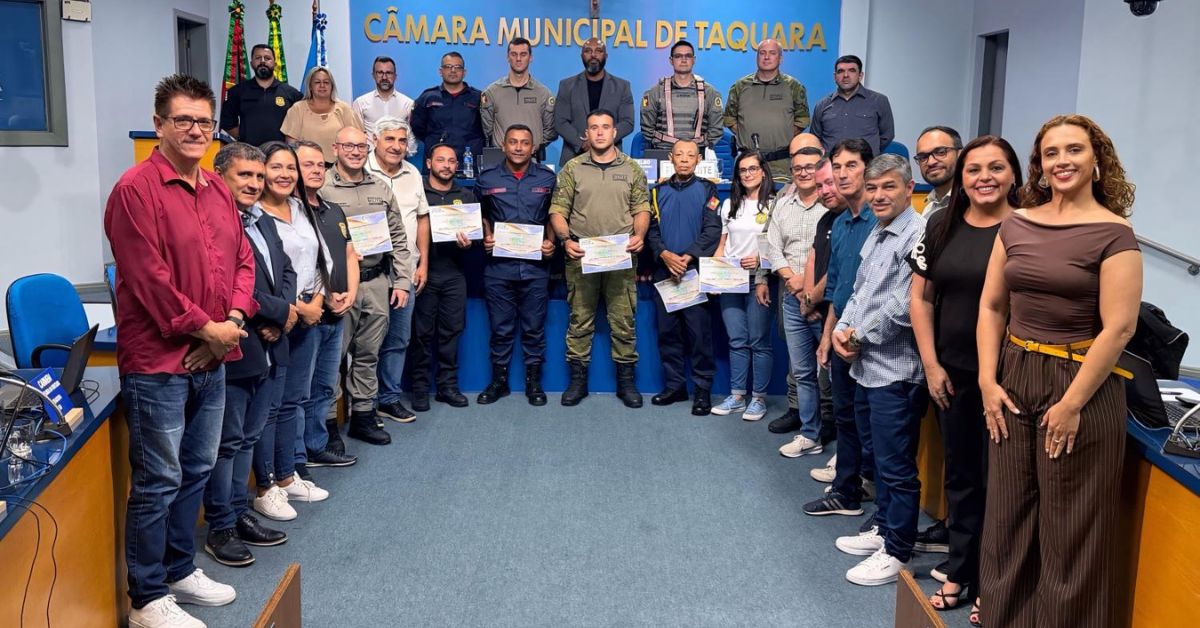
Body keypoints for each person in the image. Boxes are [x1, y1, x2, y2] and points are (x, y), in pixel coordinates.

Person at [977, 115, 1141, 628]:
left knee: (1069, 533)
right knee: (1005, 522)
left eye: (1074, 150)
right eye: (1051, 153)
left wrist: (1071, 404)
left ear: (1096, 160)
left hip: (1080, 386)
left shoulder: (1115, 234)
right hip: (1013, 375)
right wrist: (987, 379)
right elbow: (991, 307)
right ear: (1040, 166)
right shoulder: (1017, 223)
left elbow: (1118, 329)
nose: (1062, 161)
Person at [105, 74, 252, 628]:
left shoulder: (217, 189)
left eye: (204, 121)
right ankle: (145, 597)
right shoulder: (134, 190)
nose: (195, 130)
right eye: (183, 120)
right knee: (157, 481)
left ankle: (179, 568)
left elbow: (241, 262)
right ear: (160, 124)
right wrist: (203, 331)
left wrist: (232, 321)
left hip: (213, 354)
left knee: (196, 468)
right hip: (158, 363)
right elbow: (148, 280)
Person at [908, 135, 1021, 624]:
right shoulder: (941, 223)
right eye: (976, 169)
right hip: (952, 373)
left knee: (1004, 481)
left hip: (1011, 379)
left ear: (1014, 174)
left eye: (997, 167)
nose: (985, 178)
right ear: (962, 175)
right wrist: (931, 365)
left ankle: (994, 581)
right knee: (961, 476)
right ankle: (961, 568)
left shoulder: (1029, 228)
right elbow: (921, 299)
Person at [828, 154, 927, 587]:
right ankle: (884, 527)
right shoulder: (878, 231)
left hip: (897, 370)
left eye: (889, 186)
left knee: (897, 465)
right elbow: (860, 290)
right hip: (866, 367)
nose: (879, 195)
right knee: (880, 460)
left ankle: (898, 549)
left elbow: (905, 305)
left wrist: (856, 337)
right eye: (873, 188)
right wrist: (843, 328)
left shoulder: (919, 234)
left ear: (909, 189)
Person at [204, 143, 294, 569]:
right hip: (238, 343)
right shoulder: (216, 222)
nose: (255, 184)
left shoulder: (263, 220)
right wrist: (276, 313)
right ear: (221, 174)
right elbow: (234, 284)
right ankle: (220, 526)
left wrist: (287, 312)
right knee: (228, 442)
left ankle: (239, 512)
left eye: (259, 177)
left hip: (271, 344)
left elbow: (286, 271)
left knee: (248, 437)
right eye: (245, 176)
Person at [248, 142, 334, 523]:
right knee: (269, 407)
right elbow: (260, 274)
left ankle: (286, 475)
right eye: (277, 167)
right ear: (262, 171)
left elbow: (319, 260)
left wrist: (315, 301)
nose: (285, 175)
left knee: (295, 400)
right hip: (274, 320)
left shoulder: (300, 209)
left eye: (291, 169)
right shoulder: (254, 216)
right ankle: (265, 485)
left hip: (308, 315)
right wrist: (291, 309)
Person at [549, 109, 651, 408]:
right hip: (582, 255)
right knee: (580, 320)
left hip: (621, 256)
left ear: (614, 132)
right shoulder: (572, 168)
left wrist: (640, 235)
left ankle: (626, 383)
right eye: (594, 127)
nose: (600, 132)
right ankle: (577, 382)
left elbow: (642, 208)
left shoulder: (632, 168)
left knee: (623, 321)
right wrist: (565, 240)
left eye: (606, 127)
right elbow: (557, 210)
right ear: (586, 134)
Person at [320, 126, 412, 445]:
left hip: (376, 281)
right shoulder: (323, 186)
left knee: (368, 355)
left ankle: (362, 415)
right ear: (336, 149)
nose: (356, 152)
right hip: (339, 285)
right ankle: (328, 426)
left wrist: (401, 281)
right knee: (333, 357)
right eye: (349, 146)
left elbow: (399, 237)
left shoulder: (381, 186)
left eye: (361, 146)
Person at [802, 138, 877, 517]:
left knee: (869, 422)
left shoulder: (880, 221)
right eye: (838, 166)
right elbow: (838, 287)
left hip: (872, 341)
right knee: (846, 416)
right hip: (842, 332)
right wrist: (829, 335)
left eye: (852, 165)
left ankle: (865, 486)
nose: (844, 174)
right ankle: (846, 490)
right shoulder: (843, 223)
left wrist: (852, 334)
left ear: (869, 168)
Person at [476, 124, 558, 406]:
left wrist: (551, 244)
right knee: (500, 328)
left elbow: (553, 216)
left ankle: (534, 384)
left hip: (536, 268)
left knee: (534, 328)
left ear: (533, 147)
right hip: (498, 268)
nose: (519, 147)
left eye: (525, 142)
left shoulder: (547, 179)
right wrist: (485, 236)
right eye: (513, 142)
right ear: (504, 145)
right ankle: (499, 383)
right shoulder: (487, 179)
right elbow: (480, 215)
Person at [293, 140, 359, 467]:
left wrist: (351, 293)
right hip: (307, 316)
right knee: (299, 391)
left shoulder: (333, 210)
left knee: (324, 386)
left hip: (337, 314)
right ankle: (295, 458)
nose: (317, 170)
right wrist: (322, 298)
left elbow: (350, 253)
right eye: (309, 164)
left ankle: (316, 445)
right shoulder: (291, 212)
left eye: (321, 165)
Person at [645, 140, 722, 415]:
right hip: (664, 272)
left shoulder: (708, 189)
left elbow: (712, 229)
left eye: (691, 155)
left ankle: (702, 391)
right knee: (668, 334)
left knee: (699, 335)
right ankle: (675, 386)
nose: (685, 159)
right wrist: (664, 255)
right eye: (680, 155)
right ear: (671, 158)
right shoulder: (657, 191)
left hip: (693, 272)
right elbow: (650, 231)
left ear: (698, 159)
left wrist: (688, 257)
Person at [768, 147, 829, 456]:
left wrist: (812, 292)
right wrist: (793, 282)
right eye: (797, 168)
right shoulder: (783, 205)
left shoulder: (831, 203)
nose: (803, 173)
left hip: (825, 300)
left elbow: (835, 256)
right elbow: (773, 247)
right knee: (803, 371)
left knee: (834, 374)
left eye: (810, 167)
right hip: (792, 298)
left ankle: (843, 443)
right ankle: (810, 434)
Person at [365, 116, 427, 421]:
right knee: (365, 341)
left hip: (405, 271)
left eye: (402, 141)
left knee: (399, 338)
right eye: (389, 139)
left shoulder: (413, 174)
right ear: (375, 140)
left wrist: (423, 262)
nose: (396, 146)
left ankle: (388, 398)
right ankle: (363, 403)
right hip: (367, 273)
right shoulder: (360, 171)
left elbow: (422, 218)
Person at [408, 143, 476, 409]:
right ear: (428, 164)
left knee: (452, 332)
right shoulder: (417, 193)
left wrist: (470, 243)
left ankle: (448, 386)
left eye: (451, 161)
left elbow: (477, 239)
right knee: (421, 334)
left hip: (454, 274)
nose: (446, 165)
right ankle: (420, 389)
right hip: (423, 273)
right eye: (440, 160)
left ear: (457, 166)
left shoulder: (467, 195)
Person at [710, 151, 776, 421]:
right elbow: (722, 245)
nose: (748, 174)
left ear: (763, 171)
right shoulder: (729, 205)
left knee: (758, 341)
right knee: (737, 339)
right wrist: (713, 274)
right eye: (743, 170)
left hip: (761, 279)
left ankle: (758, 398)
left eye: (753, 169)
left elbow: (780, 246)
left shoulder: (775, 204)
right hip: (731, 279)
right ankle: (737, 396)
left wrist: (761, 259)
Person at [723, 39, 810, 180]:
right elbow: (729, 118)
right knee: (745, 201)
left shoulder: (793, 86)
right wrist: (745, 133)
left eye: (772, 53)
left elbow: (803, 119)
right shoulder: (740, 86)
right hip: (747, 162)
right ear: (757, 57)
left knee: (780, 200)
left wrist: (784, 135)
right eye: (762, 53)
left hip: (781, 163)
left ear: (780, 59)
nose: (767, 57)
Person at [554, 37, 635, 166]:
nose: (593, 55)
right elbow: (560, 122)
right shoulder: (566, 86)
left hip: (612, 160)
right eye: (588, 51)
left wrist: (603, 141)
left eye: (598, 51)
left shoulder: (622, 87)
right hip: (574, 159)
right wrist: (582, 144)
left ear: (606, 56)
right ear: (581, 56)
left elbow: (628, 122)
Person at [639, 40, 724, 152]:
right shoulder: (655, 92)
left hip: (697, 154)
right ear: (671, 60)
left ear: (694, 60)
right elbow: (647, 129)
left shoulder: (710, 93)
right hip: (663, 151)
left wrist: (693, 150)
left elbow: (716, 130)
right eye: (678, 56)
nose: (683, 60)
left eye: (688, 56)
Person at [481, 37, 558, 158]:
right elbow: (487, 130)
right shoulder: (492, 92)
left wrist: (533, 146)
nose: (518, 59)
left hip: (532, 161)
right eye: (514, 54)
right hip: (500, 161)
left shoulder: (544, 93)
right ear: (507, 57)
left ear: (530, 58)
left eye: (523, 54)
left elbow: (550, 131)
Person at [808, 55, 894, 156]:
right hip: (832, 168)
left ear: (860, 76)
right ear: (835, 77)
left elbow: (886, 136)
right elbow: (815, 139)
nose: (846, 75)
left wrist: (867, 154)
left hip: (867, 167)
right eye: (840, 71)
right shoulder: (822, 105)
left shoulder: (879, 101)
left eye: (852, 70)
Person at [219, 44, 301, 147]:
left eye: (267, 58)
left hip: (281, 154)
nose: (262, 61)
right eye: (258, 58)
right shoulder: (236, 92)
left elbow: (301, 123)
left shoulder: (291, 93)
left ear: (275, 63)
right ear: (251, 63)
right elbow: (228, 124)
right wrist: (246, 135)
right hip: (249, 154)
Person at [411, 52, 485, 163]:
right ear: (440, 71)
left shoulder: (478, 97)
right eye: (448, 67)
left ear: (464, 72)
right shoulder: (428, 97)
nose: (453, 70)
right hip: (436, 163)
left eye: (457, 67)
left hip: (469, 164)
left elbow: (486, 129)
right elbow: (417, 127)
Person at [281, 67, 363, 164]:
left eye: (326, 82)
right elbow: (291, 145)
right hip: (306, 168)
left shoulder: (344, 109)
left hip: (340, 170)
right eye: (317, 82)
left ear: (332, 86)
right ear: (310, 86)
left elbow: (357, 140)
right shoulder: (298, 109)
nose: (322, 85)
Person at [352, 56, 415, 138]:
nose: (384, 77)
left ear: (395, 76)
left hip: (399, 150)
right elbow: (356, 135)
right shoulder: (360, 103)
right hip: (370, 151)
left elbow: (411, 137)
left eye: (388, 73)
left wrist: (407, 150)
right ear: (373, 75)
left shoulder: (408, 103)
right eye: (380, 73)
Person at [914, 126, 962, 217]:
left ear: (960, 154)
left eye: (941, 152)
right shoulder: (929, 208)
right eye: (923, 157)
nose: (931, 162)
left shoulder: (973, 204)